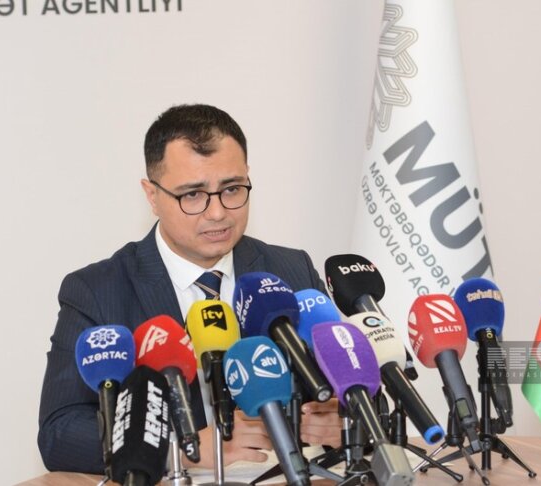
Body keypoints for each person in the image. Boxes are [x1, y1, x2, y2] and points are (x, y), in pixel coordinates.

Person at [38, 103, 341, 473]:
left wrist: (341, 418)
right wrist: (182, 448)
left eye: (232, 189)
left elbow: (348, 382)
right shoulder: (97, 291)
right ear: (152, 196)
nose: (218, 212)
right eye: (193, 195)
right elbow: (60, 433)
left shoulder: (290, 271)